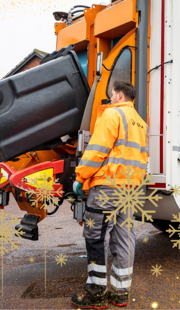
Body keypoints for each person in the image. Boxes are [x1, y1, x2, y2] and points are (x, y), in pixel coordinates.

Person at [71, 80, 149, 309]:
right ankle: (120, 292)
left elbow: (96, 150)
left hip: (107, 187)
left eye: (113, 94)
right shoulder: (141, 124)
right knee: (124, 238)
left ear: (119, 96)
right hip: (128, 191)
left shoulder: (112, 115)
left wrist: (80, 177)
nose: (111, 98)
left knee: (95, 237)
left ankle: (95, 295)